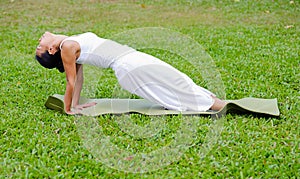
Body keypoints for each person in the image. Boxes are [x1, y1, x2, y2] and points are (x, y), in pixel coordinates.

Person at [35, 32, 226, 115]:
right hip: (128, 66)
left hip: (132, 58)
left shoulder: (70, 42)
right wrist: (69, 108)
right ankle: (214, 105)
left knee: (176, 78)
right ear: (51, 50)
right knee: (173, 87)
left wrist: (76, 103)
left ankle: (209, 100)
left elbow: (79, 78)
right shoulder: (67, 46)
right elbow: (71, 80)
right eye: (39, 46)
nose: (40, 39)